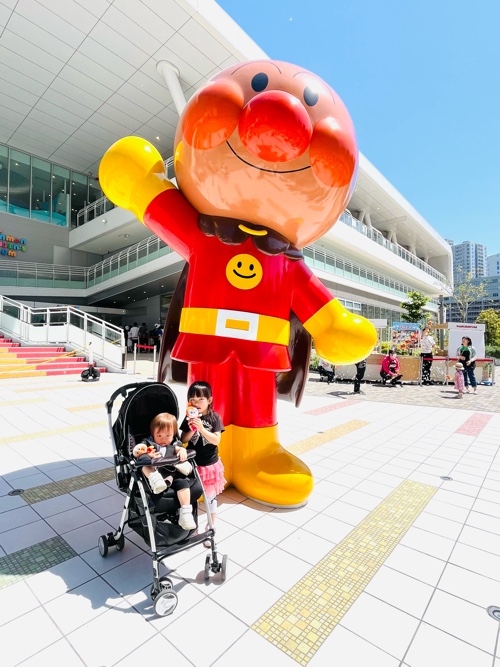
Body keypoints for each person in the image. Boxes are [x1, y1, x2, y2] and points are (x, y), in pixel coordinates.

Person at [180, 381, 226, 547]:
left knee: (210, 497)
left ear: (209, 400)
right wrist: (191, 428)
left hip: (209, 465)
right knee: (191, 496)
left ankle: (211, 524)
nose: (196, 403)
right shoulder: (189, 417)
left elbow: (215, 440)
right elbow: (183, 440)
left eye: (200, 399)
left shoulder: (214, 418)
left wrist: (201, 428)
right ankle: (192, 527)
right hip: (192, 463)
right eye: (192, 399)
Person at [132, 412, 196, 530]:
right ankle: (156, 481)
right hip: (154, 474)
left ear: (173, 435)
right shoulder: (149, 444)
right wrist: (146, 454)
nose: (163, 439)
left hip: (172, 474)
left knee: (183, 483)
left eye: (168, 436)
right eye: (159, 435)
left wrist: (182, 451)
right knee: (144, 465)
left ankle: (186, 513)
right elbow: (137, 451)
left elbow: (179, 448)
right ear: (152, 433)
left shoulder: (174, 445)